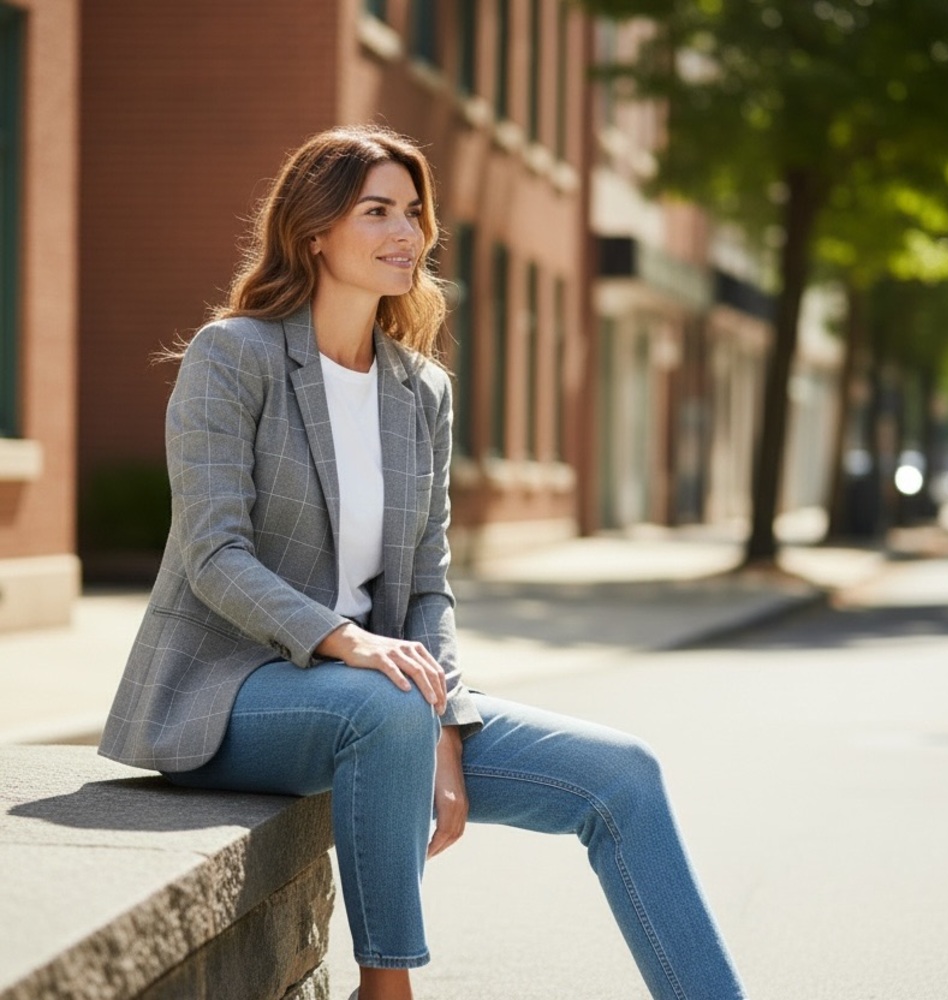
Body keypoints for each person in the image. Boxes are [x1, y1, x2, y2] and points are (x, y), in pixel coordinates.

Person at [98, 124, 747, 1000]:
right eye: (377, 211)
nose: (407, 232)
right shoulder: (234, 356)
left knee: (623, 776)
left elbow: (429, 585)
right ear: (314, 230)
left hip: (389, 701)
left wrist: (446, 720)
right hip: (226, 696)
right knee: (385, 703)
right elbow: (215, 555)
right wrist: (349, 644)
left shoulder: (420, 390)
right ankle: (388, 987)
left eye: (413, 211)